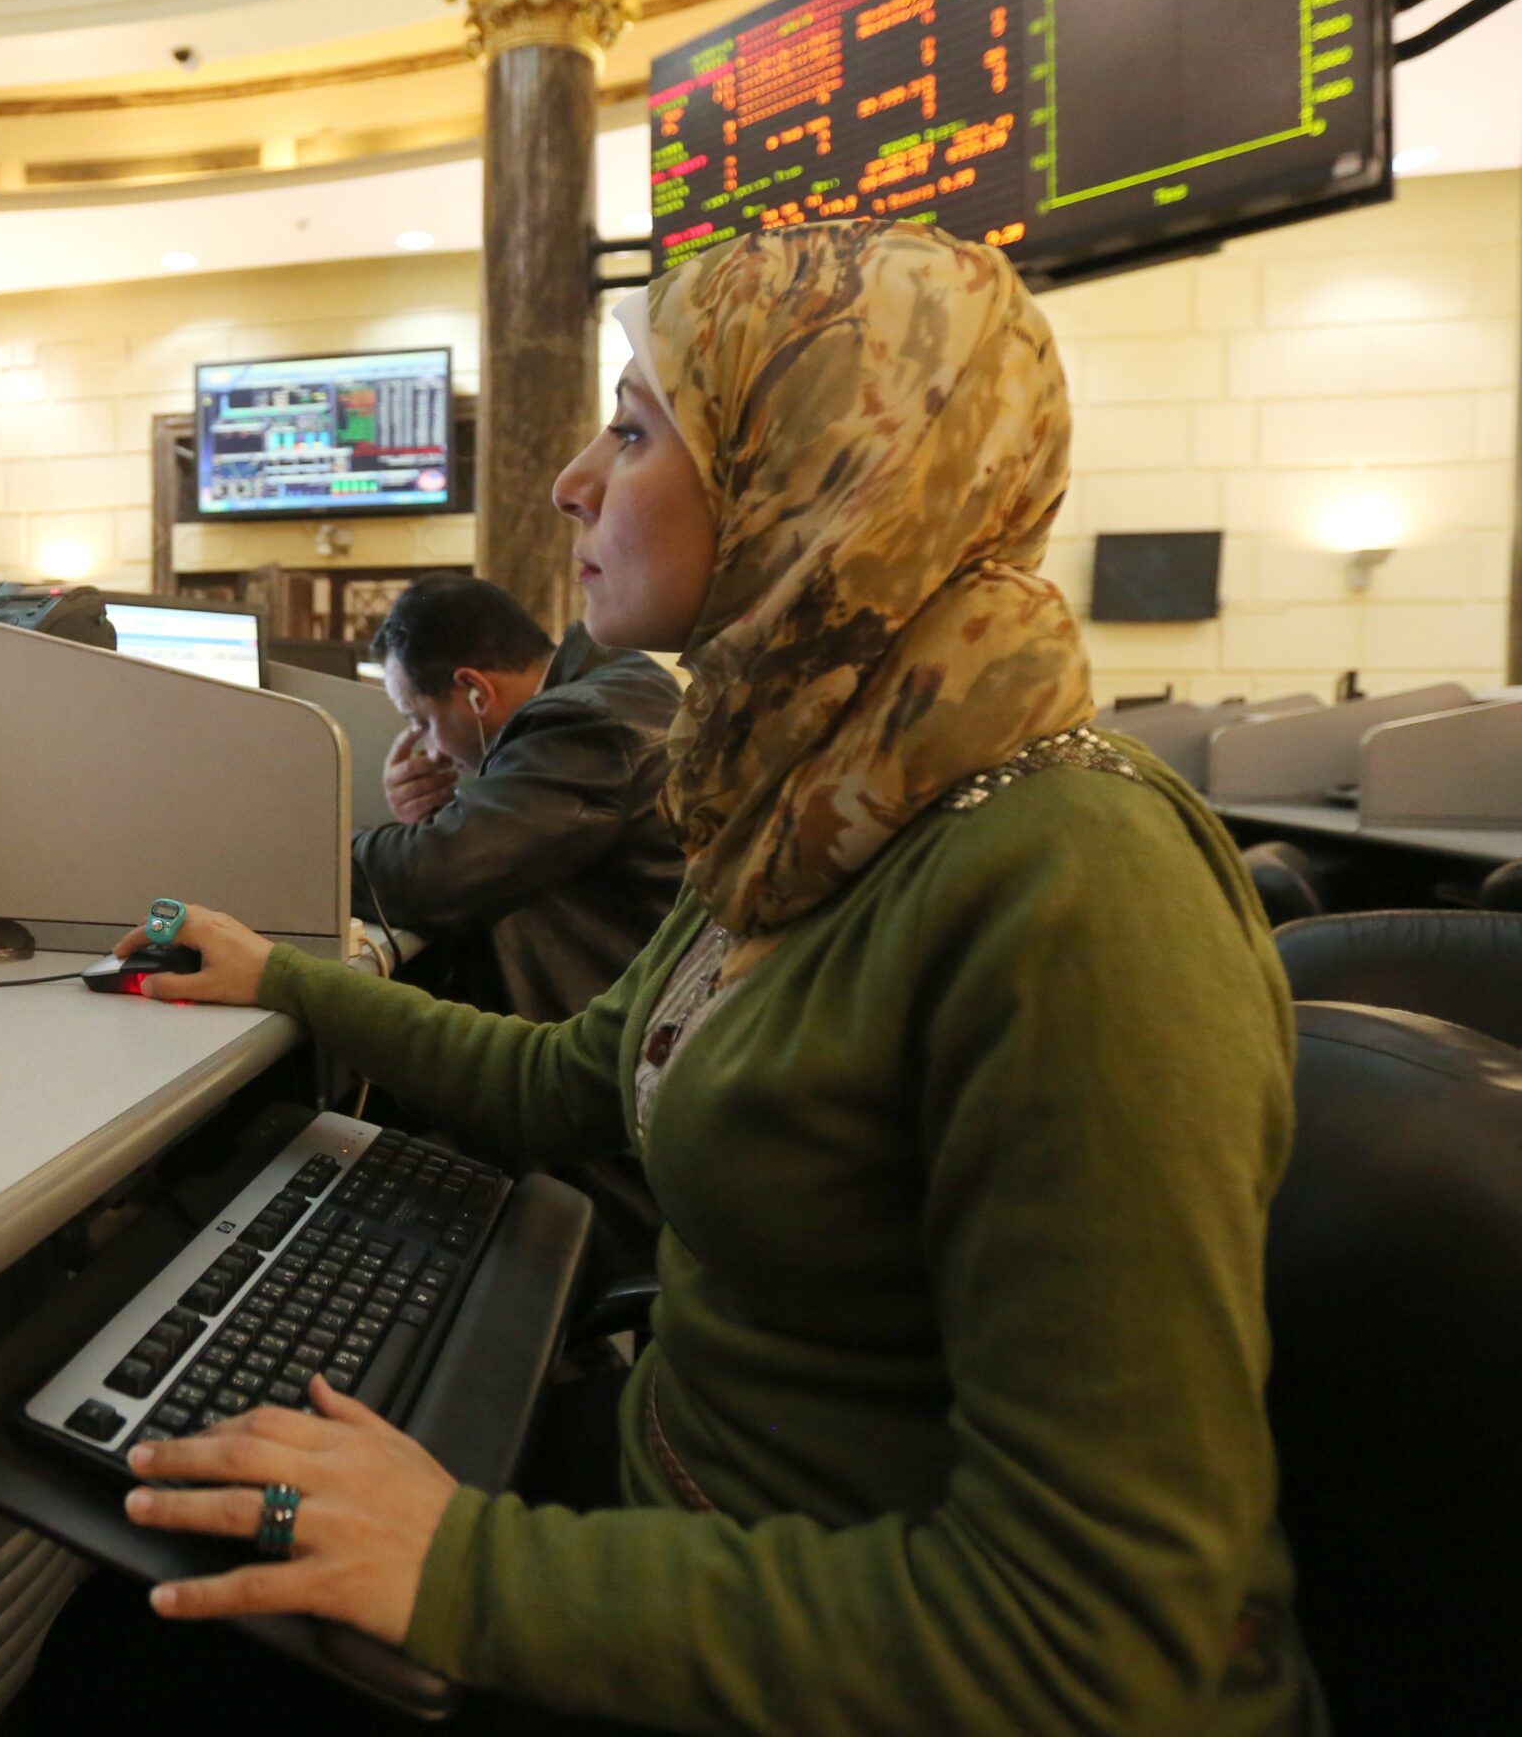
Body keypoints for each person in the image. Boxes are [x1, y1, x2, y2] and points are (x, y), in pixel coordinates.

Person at [83, 221, 1317, 1733]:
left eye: (635, 427)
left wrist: (468, 1568)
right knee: (135, 1544)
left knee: (119, 1632)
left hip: (799, 1635)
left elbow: (1094, 1640)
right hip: (690, 1516)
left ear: (817, 466)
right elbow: (577, 1075)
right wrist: (284, 978)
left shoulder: (1076, 879)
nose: (572, 481)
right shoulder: (811, 800)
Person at [358, 574, 686, 1023]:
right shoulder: (615, 678)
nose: (430, 750)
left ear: (476, 691)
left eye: (423, 721)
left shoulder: (585, 723)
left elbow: (435, 873)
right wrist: (430, 816)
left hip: (603, 1042)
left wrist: (322, 859)